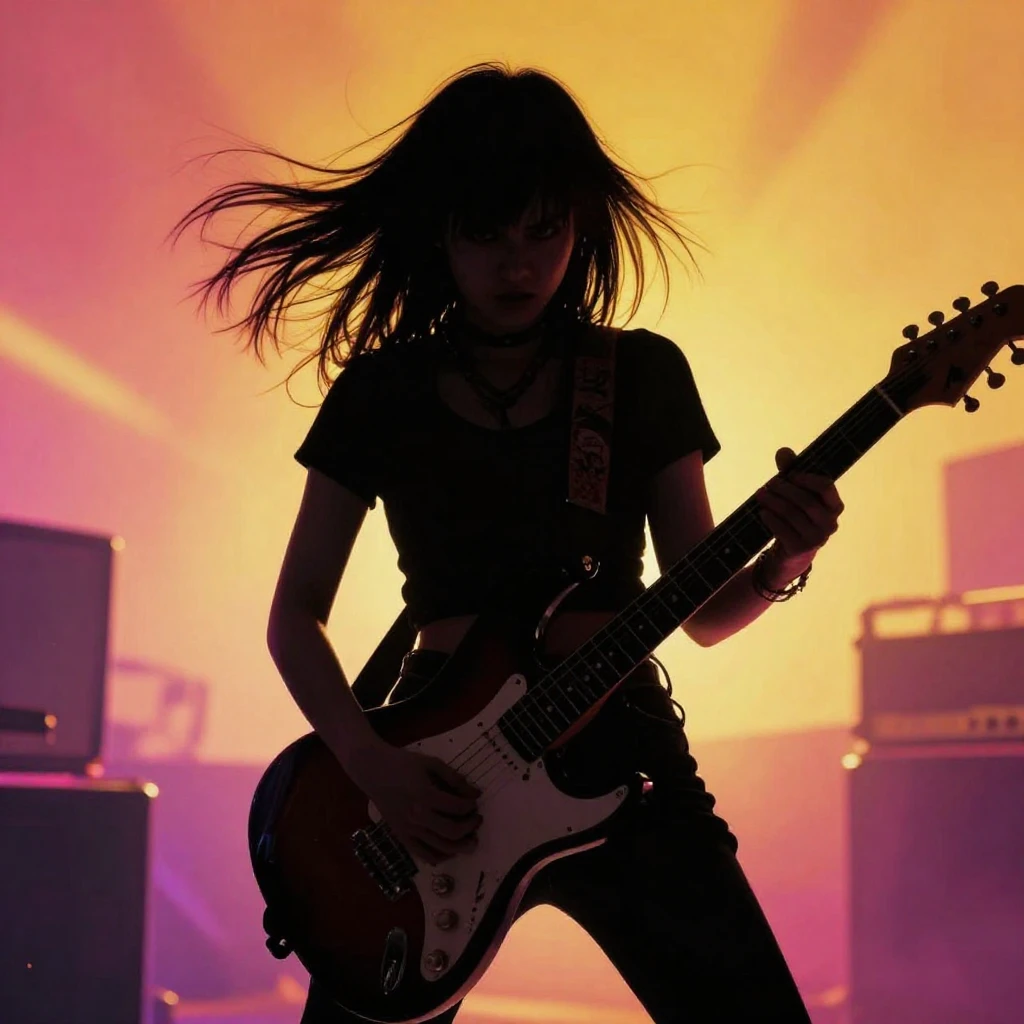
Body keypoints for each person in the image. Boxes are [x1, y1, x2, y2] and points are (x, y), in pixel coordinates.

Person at [173, 62, 844, 1023]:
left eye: (543, 232)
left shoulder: (642, 374)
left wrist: (786, 559)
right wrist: (374, 767)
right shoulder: (382, 393)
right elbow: (295, 617)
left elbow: (700, 616)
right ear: (440, 232)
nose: (519, 265)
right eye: (487, 235)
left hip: (622, 749)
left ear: (580, 228)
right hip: (431, 765)